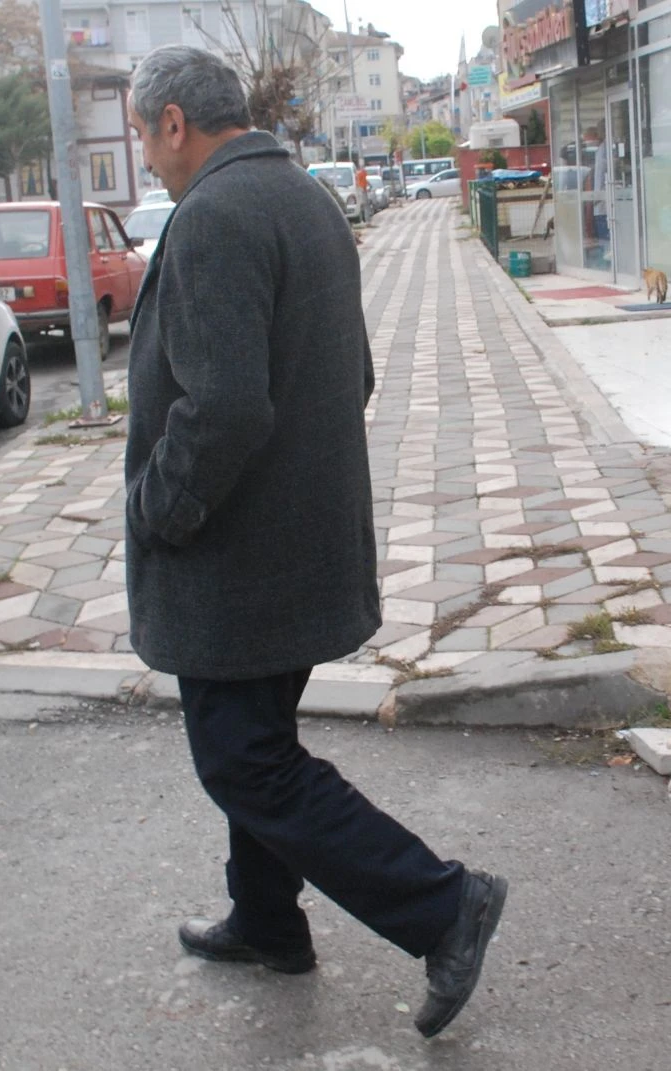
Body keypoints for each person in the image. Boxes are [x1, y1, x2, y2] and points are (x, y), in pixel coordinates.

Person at [121, 45, 507, 1040]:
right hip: (300, 541)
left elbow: (224, 410)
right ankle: (265, 922)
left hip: (236, 557)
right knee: (257, 743)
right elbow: (354, 373)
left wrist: (161, 505)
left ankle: (440, 904)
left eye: (141, 134)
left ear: (173, 123)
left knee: (244, 761)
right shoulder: (300, 196)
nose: (146, 158)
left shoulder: (214, 216)